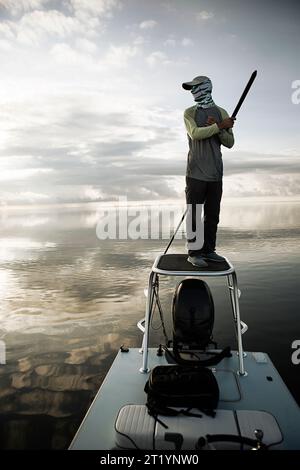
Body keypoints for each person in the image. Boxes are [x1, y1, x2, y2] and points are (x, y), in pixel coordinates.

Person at [182, 75, 235, 267]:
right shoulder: (189, 112)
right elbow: (195, 134)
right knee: (194, 214)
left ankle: (209, 251)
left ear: (206, 87)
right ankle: (194, 253)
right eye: (191, 89)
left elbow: (229, 143)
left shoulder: (221, 112)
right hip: (195, 173)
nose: (193, 92)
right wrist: (219, 125)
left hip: (215, 174)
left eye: (195, 88)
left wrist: (222, 129)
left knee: (212, 215)